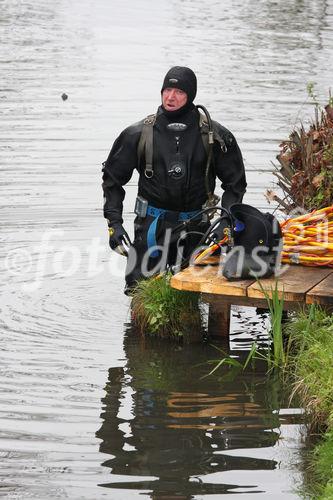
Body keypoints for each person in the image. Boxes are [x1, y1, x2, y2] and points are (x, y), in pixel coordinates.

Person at [102, 66, 247, 293]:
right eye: (167, 89)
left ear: (190, 96)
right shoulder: (137, 134)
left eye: (179, 91)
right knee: (140, 295)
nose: (171, 97)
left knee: (190, 295)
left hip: (196, 229)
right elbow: (112, 180)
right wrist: (114, 224)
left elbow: (235, 184)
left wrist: (225, 222)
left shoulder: (215, 137)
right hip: (151, 228)